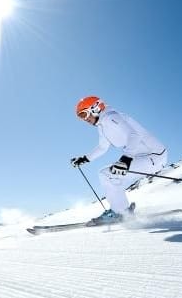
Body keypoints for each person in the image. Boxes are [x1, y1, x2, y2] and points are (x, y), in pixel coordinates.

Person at [70, 96, 167, 225]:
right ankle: (123, 211)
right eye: (81, 117)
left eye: (84, 114)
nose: (85, 119)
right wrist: (84, 159)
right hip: (143, 157)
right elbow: (102, 147)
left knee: (107, 174)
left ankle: (120, 213)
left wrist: (126, 159)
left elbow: (134, 135)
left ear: (95, 108)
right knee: (111, 177)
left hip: (154, 156)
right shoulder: (102, 125)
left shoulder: (111, 117)